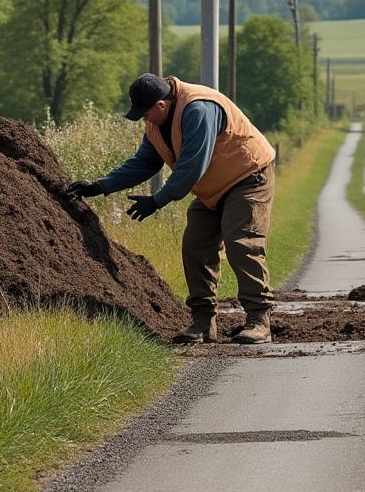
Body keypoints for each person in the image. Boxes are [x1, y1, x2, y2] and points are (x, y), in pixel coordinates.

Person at [66, 73, 277, 344]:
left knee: (241, 243)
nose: (144, 119)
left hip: (248, 176)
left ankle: (259, 320)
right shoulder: (157, 123)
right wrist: (100, 186)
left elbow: (192, 166)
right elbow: (143, 163)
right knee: (195, 246)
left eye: (145, 113)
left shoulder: (198, 109)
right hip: (213, 186)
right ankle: (203, 323)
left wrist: (158, 200)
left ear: (161, 105)